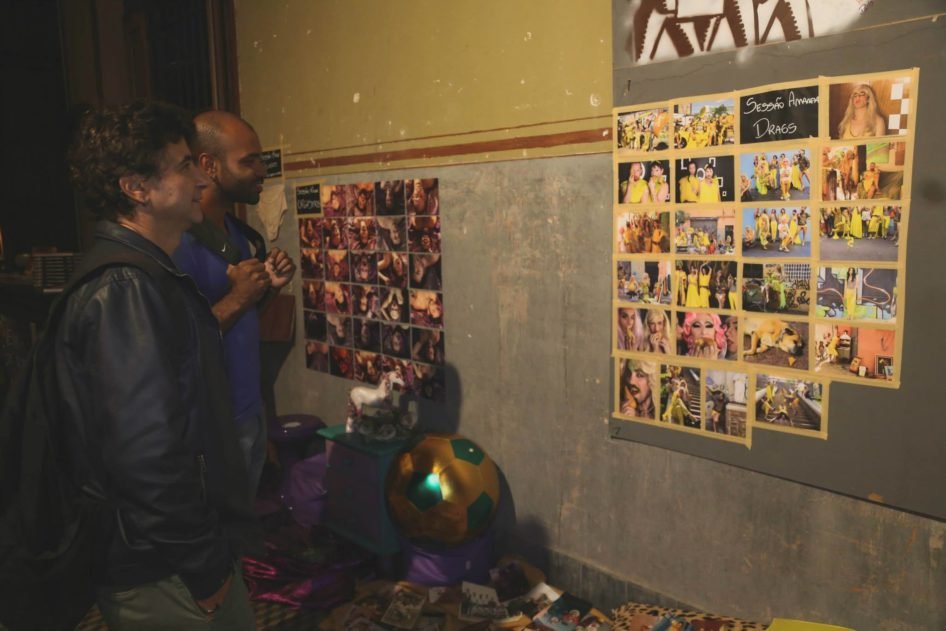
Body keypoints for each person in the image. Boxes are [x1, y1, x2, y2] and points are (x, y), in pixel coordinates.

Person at [62, 102, 260, 628]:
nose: (201, 179)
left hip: (178, 554)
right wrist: (204, 568)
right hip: (161, 568)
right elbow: (145, 456)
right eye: (184, 165)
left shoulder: (150, 272)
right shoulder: (124, 287)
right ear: (137, 188)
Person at [174, 110, 297, 502]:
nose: (262, 170)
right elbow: (180, 343)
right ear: (209, 165)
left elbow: (240, 320)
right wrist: (240, 296)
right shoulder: (179, 244)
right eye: (249, 161)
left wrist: (266, 290)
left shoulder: (236, 236)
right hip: (212, 429)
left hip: (248, 412)